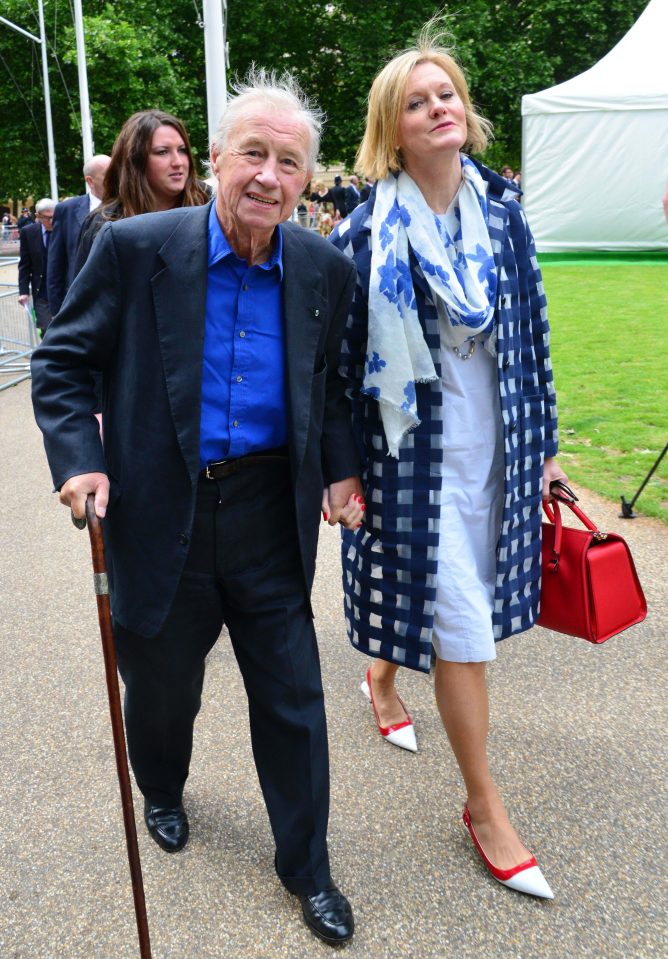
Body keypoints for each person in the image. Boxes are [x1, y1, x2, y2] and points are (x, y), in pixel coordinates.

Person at [31, 69, 363, 945]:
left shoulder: (326, 268)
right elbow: (61, 362)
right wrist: (81, 459)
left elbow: (328, 387)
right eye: (252, 152)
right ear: (215, 158)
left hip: (268, 516)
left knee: (293, 697)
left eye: (289, 162)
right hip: (158, 511)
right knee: (163, 689)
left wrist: (340, 469)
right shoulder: (139, 248)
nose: (268, 175)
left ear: (308, 179)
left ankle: (308, 865)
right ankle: (163, 785)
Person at [330, 25, 568, 900]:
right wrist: (342, 468)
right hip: (408, 459)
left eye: (448, 94)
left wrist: (544, 448)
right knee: (458, 617)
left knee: (432, 597)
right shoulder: (363, 234)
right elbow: (342, 367)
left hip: (495, 452)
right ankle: (485, 804)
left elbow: (533, 339)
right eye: (417, 101)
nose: (439, 108)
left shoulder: (504, 218)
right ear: (392, 129)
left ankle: (383, 677)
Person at [75, 109, 210, 267]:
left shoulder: (210, 206)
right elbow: (88, 290)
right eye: (162, 152)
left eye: (182, 150)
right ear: (135, 160)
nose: (178, 162)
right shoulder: (104, 225)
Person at [47, 154, 111, 316]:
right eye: (109, 176)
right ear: (90, 181)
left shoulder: (130, 206)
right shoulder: (66, 210)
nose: (116, 179)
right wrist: (57, 313)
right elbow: (56, 264)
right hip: (80, 305)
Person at [18, 198, 56, 336]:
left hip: (64, 291)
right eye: (47, 218)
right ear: (38, 216)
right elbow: (25, 264)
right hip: (41, 292)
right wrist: (23, 292)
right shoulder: (28, 232)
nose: (51, 222)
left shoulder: (64, 229)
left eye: (53, 217)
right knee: (47, 331)